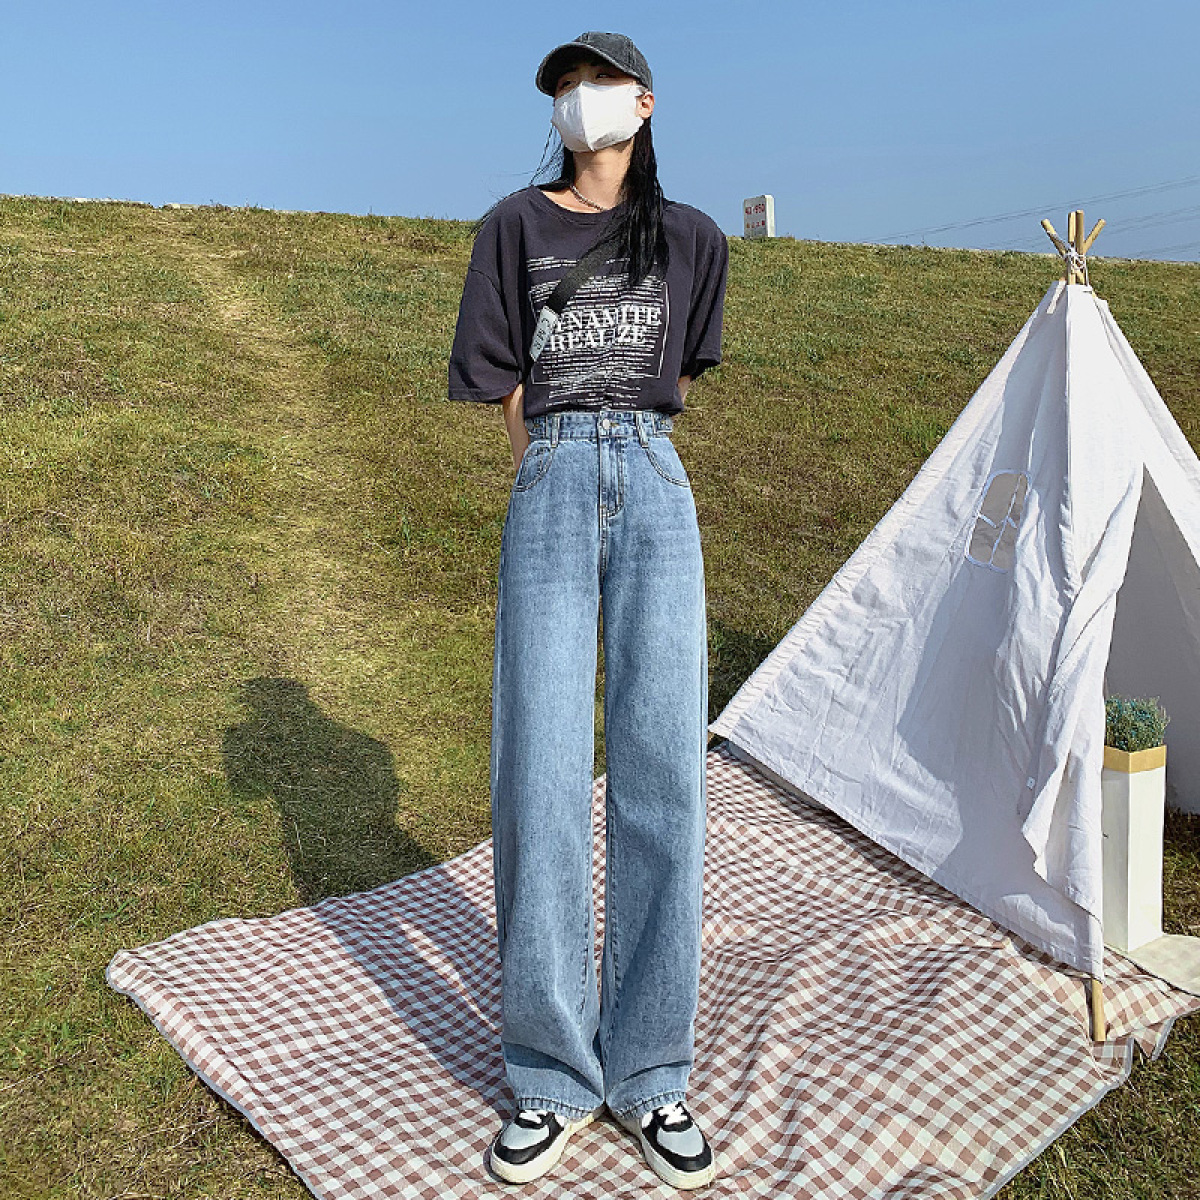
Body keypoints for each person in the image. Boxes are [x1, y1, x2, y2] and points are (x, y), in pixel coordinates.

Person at [447, 30, 728, 1190]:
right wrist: (551, 464)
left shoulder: (694, 239)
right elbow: (502, 377)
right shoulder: (514, 226)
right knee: (542, 771)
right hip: (554, 478)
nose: (578, 100)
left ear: (643, 102)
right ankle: (553, 1074)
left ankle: (652, 1070)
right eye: (563, 87)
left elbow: (681, 375)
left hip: (655, 481)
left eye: (595, 82)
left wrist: (623, 445)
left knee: (663, 769)